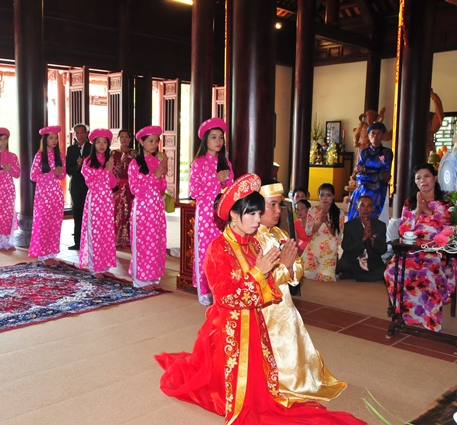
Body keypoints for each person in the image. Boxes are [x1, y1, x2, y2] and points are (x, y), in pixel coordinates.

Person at [154, 174, 364, 425]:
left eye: (258, 213)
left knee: (262, 390)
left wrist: (280, 269)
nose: (257, 220)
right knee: (233, 396)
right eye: (251, 214)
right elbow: (226, 297)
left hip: (254, 323)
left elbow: (269, 290)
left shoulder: (253, 245)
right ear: (234, 214)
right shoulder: (218, 249)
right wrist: (259, 272)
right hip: (228, 329)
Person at [257, 181, 347, 403]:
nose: (278, 210)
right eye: (272, 205)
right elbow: (256, 279)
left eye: (279, 205)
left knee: (293, 343)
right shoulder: (252, 238)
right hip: (264, 305)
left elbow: (298, 266)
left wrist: (289, 267)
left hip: (285, 303)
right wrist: (283, 268)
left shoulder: (280, 233)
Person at [384, 163, 455, 332]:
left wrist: (428, 211)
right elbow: (403, 230)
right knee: (391, 271)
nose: (423, 180)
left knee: (427, 274)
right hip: (413, 251)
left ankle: (429, 319)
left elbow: (449, 229)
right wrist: (417, 210)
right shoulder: (410, 202)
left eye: (427, 176)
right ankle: (403, 315)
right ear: (415, 182)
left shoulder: (446, 202)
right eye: (418, 178)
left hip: (439, 253)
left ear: (435, 178)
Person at [188, 117, 233, 306]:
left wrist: (224, 182)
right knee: (206, 252)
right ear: (205, 139)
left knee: (223, 252)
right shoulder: (198, 163)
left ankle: (222, 290)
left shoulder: (226, 163)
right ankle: (206, 292)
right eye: (213, 137)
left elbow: (230, 190)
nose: (218, 141)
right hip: (206, 215)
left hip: (223, 215)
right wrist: (216, 180)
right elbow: (193, 192)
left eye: (221, 137)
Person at [128, 125, 167, 291]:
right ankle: (140, 279)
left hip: (156, 207)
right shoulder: (135, 163)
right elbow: (135, 189)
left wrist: (162, 173)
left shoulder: (157, 161)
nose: (154, 144)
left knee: (156, 241)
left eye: (156, 141)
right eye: (150, 141)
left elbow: (162, 187)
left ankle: (153, 276)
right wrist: (154, 177)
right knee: (143, 242)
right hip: (143, 208)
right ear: (142, 142)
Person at [79, 128, 117, 277]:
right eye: (98, 142)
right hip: (94, 200)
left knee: (106, 233)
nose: (102, 145)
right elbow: (92, 183)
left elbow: (113, 184)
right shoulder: (88, 161)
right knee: (94, 233)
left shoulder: (109, 161)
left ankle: (105, 266)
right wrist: (106, 171)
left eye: (104, 142)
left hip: (107, 200)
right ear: (93, 144)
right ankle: (95, 267)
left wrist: (109, 171)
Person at [28, 125, 66, 265]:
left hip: (56, 195)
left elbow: (62, 175)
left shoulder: (59, 156)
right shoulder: (39, 156)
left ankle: (51, 253)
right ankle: (43, 255)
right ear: (45, 140)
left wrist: (59, 173)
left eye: (56, 138)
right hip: (43, 195)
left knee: (55, 224)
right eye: (51, 138)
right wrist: (51, 174)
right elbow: (33, 176)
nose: (54, 141)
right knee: (43, 224)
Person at [347, 122, 393, 224]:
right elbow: (359, 174)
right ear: (368, 136)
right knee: (358, 194)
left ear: (382, 135)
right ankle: (356, 226)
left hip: (380, 187)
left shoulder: (387, 152)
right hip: (364, 185)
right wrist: (378, 174)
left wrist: (365, 169)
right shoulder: (363, 152)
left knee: (373, 193)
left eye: (379, 133)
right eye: (373, 133)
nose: (375, 136)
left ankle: (373, 227)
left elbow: (386, 175)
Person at [337, 195, 387, 282]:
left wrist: (372, 239)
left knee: (387, 270)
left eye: (369, 206)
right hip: (353, 260)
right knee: (344, 265)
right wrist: (363, 239)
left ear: (372, 209)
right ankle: (361, 275)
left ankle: (356, 275)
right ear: (357, 208)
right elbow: (346, 247)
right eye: (362, 205)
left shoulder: (380, 225)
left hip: (372, 261)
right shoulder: (349, 225)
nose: (366, 209)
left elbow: (383, 249)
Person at [303, 183, 345, 281]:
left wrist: (326, 221)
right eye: (322, 195)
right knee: (307, 274)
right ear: (319, 196)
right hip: (315, 244)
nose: (325, 198)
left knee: (326, 277)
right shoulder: (312, 211)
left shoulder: (339, 212)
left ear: (333, 196)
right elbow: (308, 232)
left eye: (328, 195)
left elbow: (338, 235)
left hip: (330, 246)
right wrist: (319, 221)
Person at [66, 123, 92, 250]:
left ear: (87, 134)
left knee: (90, 213)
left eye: (82, 132)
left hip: (89, 185)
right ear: (75, 135)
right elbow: (68, 170)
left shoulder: (92, 148)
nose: (80, 135)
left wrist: (85, 165)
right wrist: (77, 165)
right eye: (77, 133)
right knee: (77, 212)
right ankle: (78, 242)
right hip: (76, 184)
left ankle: (90, 241)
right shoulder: (71, 149)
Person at [111, 129, 135, 248]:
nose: (124, 139)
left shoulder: (134, 154)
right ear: (118, 139)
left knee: (129, 212)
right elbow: (110, 171)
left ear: (130, 139)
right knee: (117, 212)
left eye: (126, 137)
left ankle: (128, 239)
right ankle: (116, 238)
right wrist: (118, 167)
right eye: (122, 137)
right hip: (118, 186)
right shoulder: (113, 153)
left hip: (131, 186)